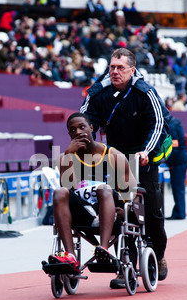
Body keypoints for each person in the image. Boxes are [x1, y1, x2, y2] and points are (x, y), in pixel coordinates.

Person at [80, 47, 170, 287]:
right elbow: (84, 119)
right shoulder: (99, 91)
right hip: (117, 159)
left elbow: (158, 123)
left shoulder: (145, 92)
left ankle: (158, 255)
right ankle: (125, 265)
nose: (115, 72)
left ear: (132, 69)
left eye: (120, 68)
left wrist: (146, 151)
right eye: (112, 67)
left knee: (151, 215)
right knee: (121, 211)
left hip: (144, 158)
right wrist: (86, 138)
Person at [48, 112, 137, 270]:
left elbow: (130, 190)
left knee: (103, 188)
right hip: (84, 212)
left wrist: (127, 210)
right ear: (69, 134)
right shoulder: (65, 157)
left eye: (82, 127)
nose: (78, 132)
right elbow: (67, 189)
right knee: (59, 192)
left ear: (91, 128)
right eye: (73, 130)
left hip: (111, 208)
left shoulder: (114, 155)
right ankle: (70, 257)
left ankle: (103, 248)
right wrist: (69, 155)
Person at [165, 116, 187, 220]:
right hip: (181, 159)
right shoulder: (174, 123)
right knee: (178, 188)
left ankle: (179, 213)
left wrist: (171, 162)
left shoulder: (171, 126)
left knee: (177, 188)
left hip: (178, 161)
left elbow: (173, 146)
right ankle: (179, 211)